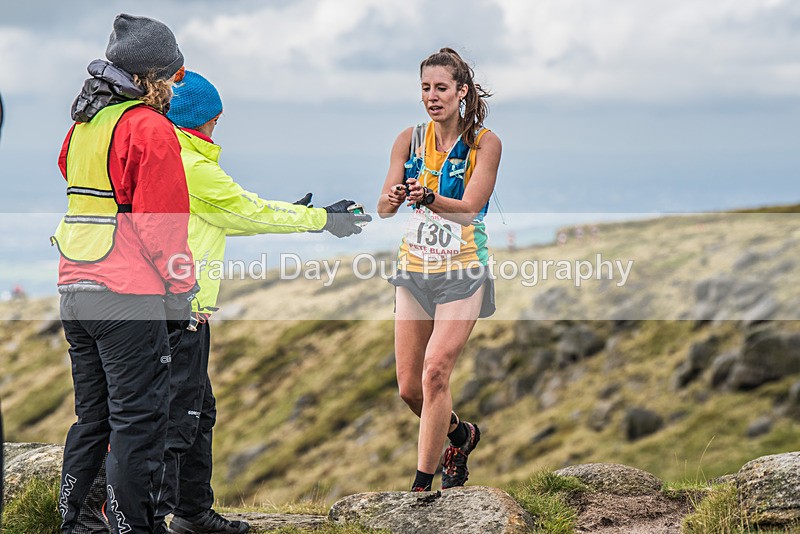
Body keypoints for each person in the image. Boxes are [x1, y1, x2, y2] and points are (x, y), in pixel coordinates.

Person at [160, 71, 371, 533]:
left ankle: (191, 513)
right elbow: (245, 209)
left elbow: (226, 215)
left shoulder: (176, 156)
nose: (218, 129)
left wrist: (295, 213)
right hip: (178, 309)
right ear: (197, 120)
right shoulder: (189, 162)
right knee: (179, 416)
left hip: (177, 307)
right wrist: (321, 220)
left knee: (198, 409)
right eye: (215, 121)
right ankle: (160, 519)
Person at [52, 14, 197, 534]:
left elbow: (72, 174)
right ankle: (133, 527)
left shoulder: (85, 124)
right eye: (176, 77)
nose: (178, 87)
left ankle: (77, 524)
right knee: (139, 421)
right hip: (126, 296)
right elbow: (164, 228)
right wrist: (183, 292)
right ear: (152, 76)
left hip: (75, 288)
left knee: (93, 418)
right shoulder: (148, 127)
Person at [377, 48, 501, 492]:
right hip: (414, 271)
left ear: (461, 92)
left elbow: (469, 210)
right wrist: (393, 198)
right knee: (411, 388)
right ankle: (460, 436)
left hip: (464, 271)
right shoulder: (408, 139)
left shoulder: (485, 144)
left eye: (441, 88)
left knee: (435, 373)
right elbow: (383, 208)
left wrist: (429, 198)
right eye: (425, 88)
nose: (432, 96)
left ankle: (420, 490)